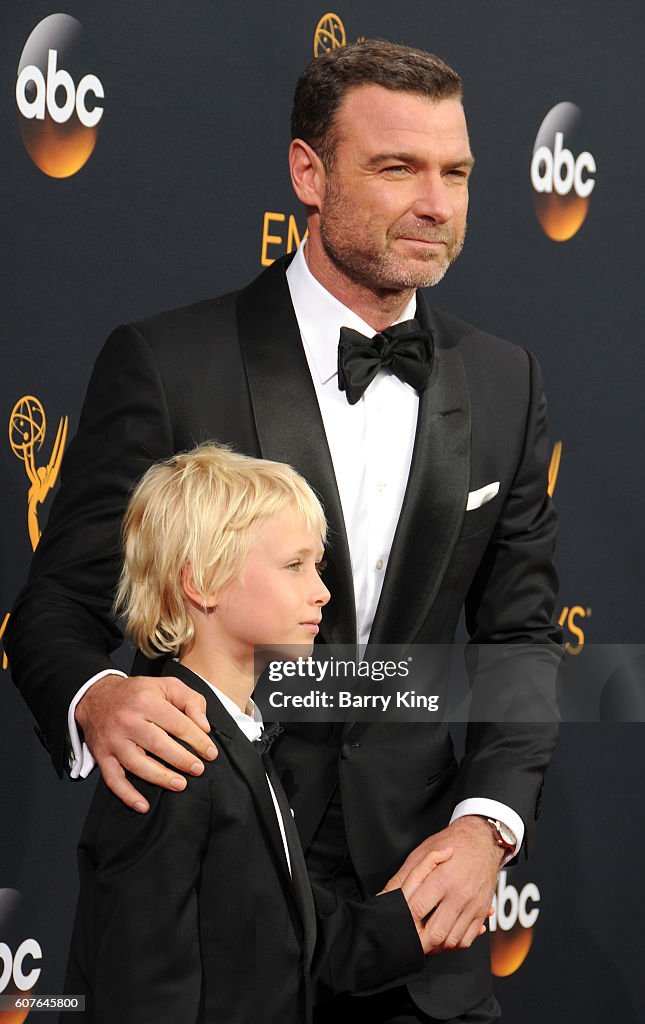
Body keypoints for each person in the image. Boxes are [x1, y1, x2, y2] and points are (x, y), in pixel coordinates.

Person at [8, 40, 561, 1023]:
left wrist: (489, 827)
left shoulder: (507, 383)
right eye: (398, 167)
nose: (436, 203)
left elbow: (520, 636)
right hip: (209, 922)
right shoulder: (167, 363)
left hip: (420, 940)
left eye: (457, 172)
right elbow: (56, 608)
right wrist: (99, 699)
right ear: (309, 172)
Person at [62, 443, 437, 1024]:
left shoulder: (239, 737)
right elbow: (142, 994)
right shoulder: (171, 755)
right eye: (295, 566)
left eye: (318, 565)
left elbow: (278, 943)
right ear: (203, 582)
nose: (323, 591)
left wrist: (414, 921)